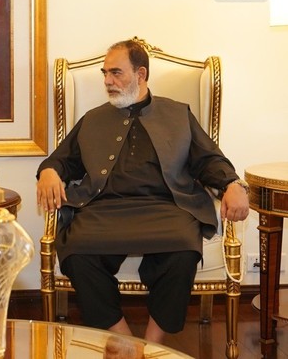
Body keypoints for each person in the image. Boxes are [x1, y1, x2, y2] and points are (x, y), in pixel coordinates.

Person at [36, 39, 249, 344]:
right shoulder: (93, 119)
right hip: (103, 209)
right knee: (76, 251)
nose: (108, 81)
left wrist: (232, 184)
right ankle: (126, 342)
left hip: (167, 208)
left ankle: (151, 343)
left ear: (141, 74)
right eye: (105, 73)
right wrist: (48, 171)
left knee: (184, 250)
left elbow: (208, 160)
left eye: (116, 73)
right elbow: (62, 160)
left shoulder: (178, 114)